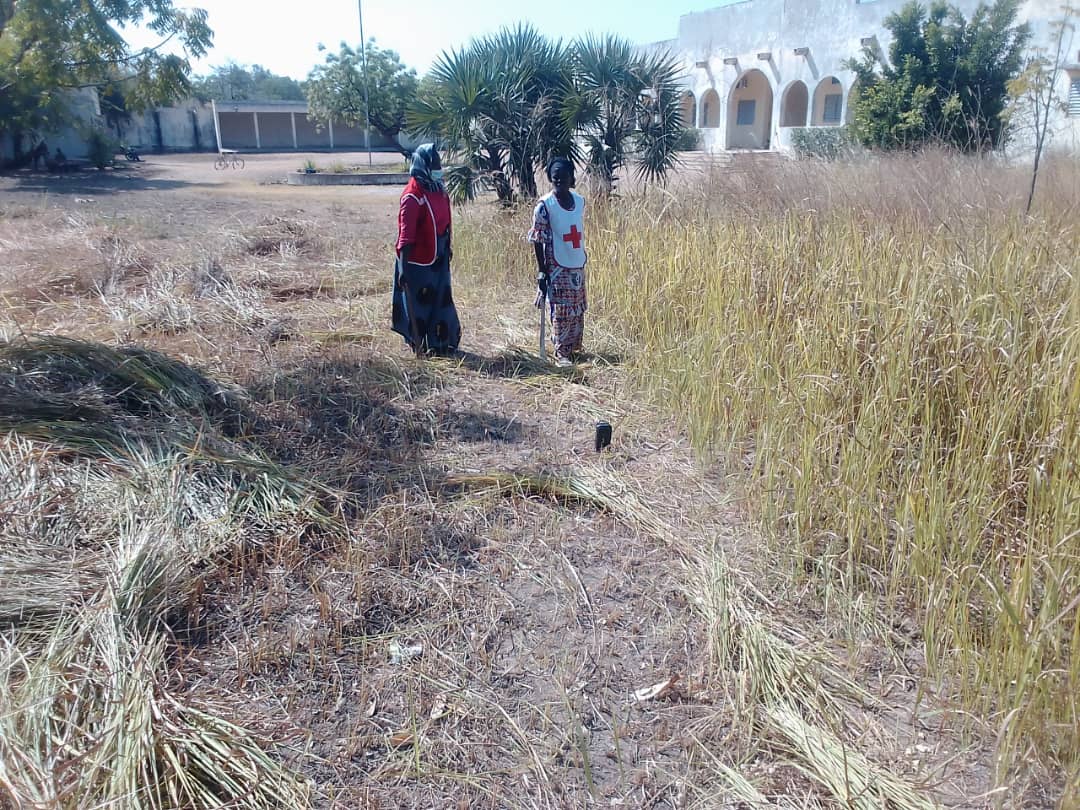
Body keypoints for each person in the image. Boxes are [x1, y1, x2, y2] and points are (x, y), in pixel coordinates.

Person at [392, 144, 461, 356]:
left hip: (438, 255)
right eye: (436, 163)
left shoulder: (438, 188)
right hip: (417, 261)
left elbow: (445, 221)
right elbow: (406, 235)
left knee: (441, 297)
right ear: (424, 165)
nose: (439, 167)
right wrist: (403, 269)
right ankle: (418, 344)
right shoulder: (412, 197)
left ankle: (441, 342)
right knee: (420, 303)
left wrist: (447, 246)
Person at [528, 157, 588, 366]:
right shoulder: (544, 206)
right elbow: (538, 239)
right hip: (556, 266)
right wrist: (542, 270)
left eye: (564, 177)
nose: (560, 181)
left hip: (576, 263)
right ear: (551, 180)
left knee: (577, 307)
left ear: (572, 178)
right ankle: (561, 352)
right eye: (555, 179)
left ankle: (573, 347)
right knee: (561, 309)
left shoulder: (579, 202)